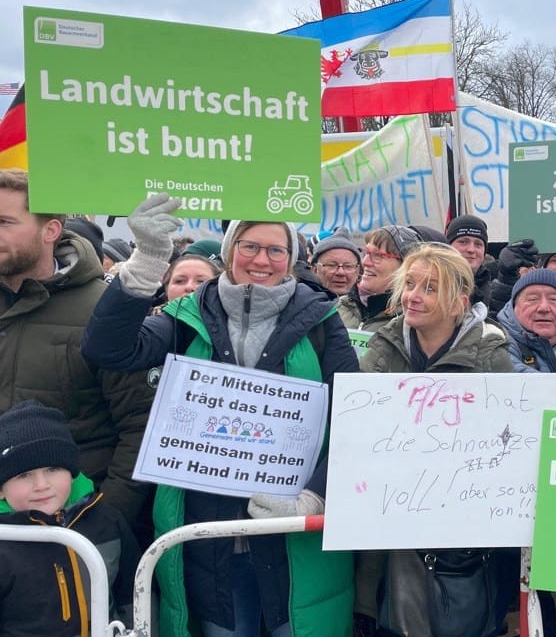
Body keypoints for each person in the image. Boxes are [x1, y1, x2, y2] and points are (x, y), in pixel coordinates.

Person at [81, 194, 358, 637]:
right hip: (207, 537)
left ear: (291, 259)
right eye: (249, 245)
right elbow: (107, 349)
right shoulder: (186, 317)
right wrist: (148, 260)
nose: (261, 259)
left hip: (291, 535)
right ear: (229, 251)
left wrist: (316, 496)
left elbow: (352, 420)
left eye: (275, 249)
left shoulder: (321, 321)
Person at [359, 243, 515, 637]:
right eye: (409, 283)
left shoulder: (489, 356)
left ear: (458, 302)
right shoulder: (381, 348)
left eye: (430, 288)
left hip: (460, 534)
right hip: (390, 527)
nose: (413, 296)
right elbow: (357, 434)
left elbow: (508, 437)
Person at [0, 168, 155, 533]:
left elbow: (141, 429)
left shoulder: (102, 310)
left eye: (5, 222)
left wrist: (104, 518)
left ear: (50, 230)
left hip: (72, 533)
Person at [0, 400, 140, 637]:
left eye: (53, 469)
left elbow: (134, 594)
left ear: (72, 473)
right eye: (24, 475)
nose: (42, 485)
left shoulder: (106, 520)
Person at [497, 268, 556, 376]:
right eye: (533, 299)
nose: (543, 308)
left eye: (553, 299)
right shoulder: (498, 344)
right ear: (515, 307)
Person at [338, 225, 421, 331]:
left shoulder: (411, 321)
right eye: (366, 253)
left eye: (377, 255)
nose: (365, 262)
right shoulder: (341, 306)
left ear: (405, 265)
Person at [446, 213, 496, 307]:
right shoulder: (434, 283)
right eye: (463, 242)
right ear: (448, 246)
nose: (471, 250)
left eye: (478, 244)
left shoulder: (493, 289)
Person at [311, 231, 362, 297]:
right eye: (331, 265)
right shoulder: (301, 303)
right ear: (315, 269)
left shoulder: (368, 304)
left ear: (357, 271)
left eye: (348, 266)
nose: (340, 272)